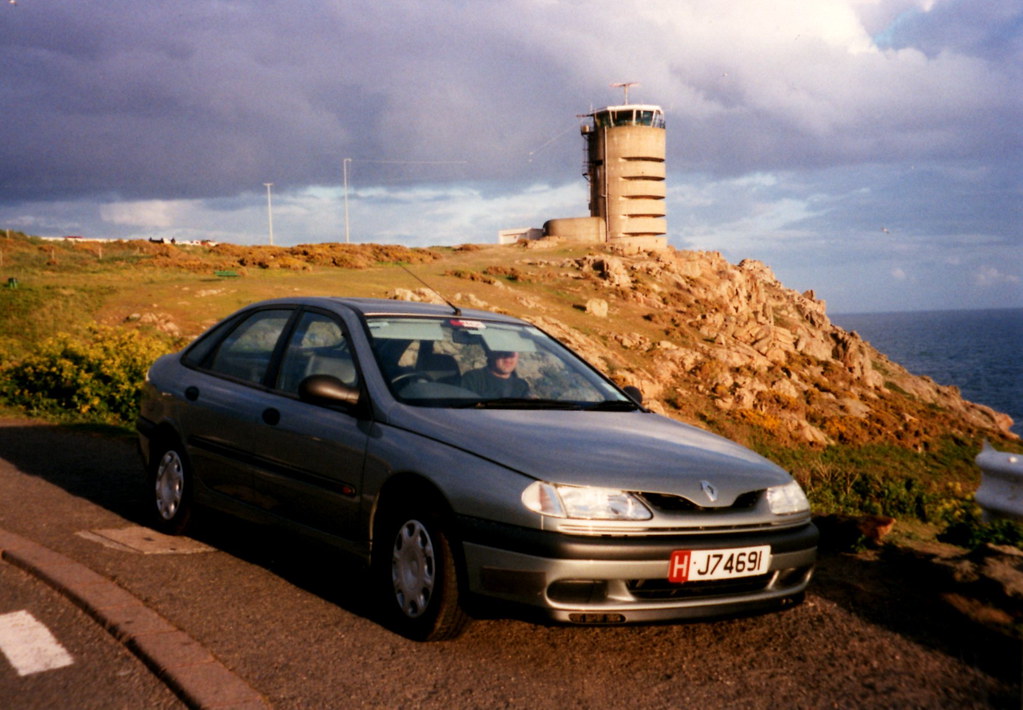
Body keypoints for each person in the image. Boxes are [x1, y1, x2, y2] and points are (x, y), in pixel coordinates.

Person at [461, 351, 530, 399]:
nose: (508, 358)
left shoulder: (522, 386)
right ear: (491, 354)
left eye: (512, 354)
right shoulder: (473, 379)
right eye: (503, 352)